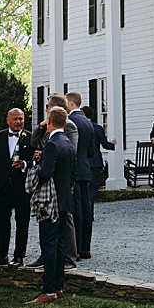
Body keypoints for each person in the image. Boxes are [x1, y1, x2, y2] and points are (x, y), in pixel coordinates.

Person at [26, 106, 75, 305]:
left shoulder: (53, 144)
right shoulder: (69, 143)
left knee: (48, 244)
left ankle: (48, 290)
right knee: (60, 245)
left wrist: (35, 166)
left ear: (50, 121)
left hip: (51, 201)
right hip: (65, 199)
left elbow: (45, 173)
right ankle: (59, 286)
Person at [67, 90, 112, 260]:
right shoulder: (88, 123)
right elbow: (92, 151)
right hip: (86, 169)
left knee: (76, 209)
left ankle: (76, 248)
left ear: (71, 103)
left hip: (75, 171)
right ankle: (85, 247)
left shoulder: (70, 121)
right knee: (86, 209)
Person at [0, 107, 31, 265]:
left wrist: (25, 164)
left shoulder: (30, 138)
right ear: (8, 120)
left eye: (21, 119)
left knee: (22, 222)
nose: (19, 122)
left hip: (22, 188)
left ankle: (19, 256)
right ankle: (1, 255)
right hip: (2, 188)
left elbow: (37, 161)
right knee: (2, 222)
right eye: (15, 119)